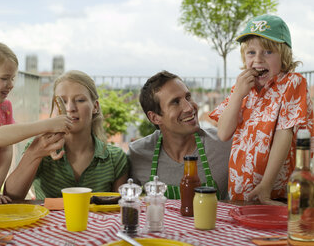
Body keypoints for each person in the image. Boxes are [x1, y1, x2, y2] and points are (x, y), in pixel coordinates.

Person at [209, 14, 314, 205]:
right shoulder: (241, 88)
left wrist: (266, 186)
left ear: (284, 56)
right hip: (240, 191)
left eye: (267, 52)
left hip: (275, 191)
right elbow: (223, 133)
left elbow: (285, 134)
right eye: (251, 52)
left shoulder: (292, 83)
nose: (258, 59)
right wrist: (238, 95)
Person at [4, 70, 129, 200]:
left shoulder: (115, 158)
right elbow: (11, 197)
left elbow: (119, 209)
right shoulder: (41, 148)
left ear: (95, 107)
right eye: (62, 101)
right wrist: (34, 153)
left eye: (80, 100)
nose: (70, 108)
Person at [0, 40, 72, 205]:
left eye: (12, 78)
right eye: (4, 78)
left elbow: (5, 151)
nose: (11, 85)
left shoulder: (4, 108)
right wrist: (48, 124)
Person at [128, 70, 232, 200]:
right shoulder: (137, 155)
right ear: (155, 117)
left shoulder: (225, 145)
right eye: (175, 102)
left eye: (188, 97)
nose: (190, 108)